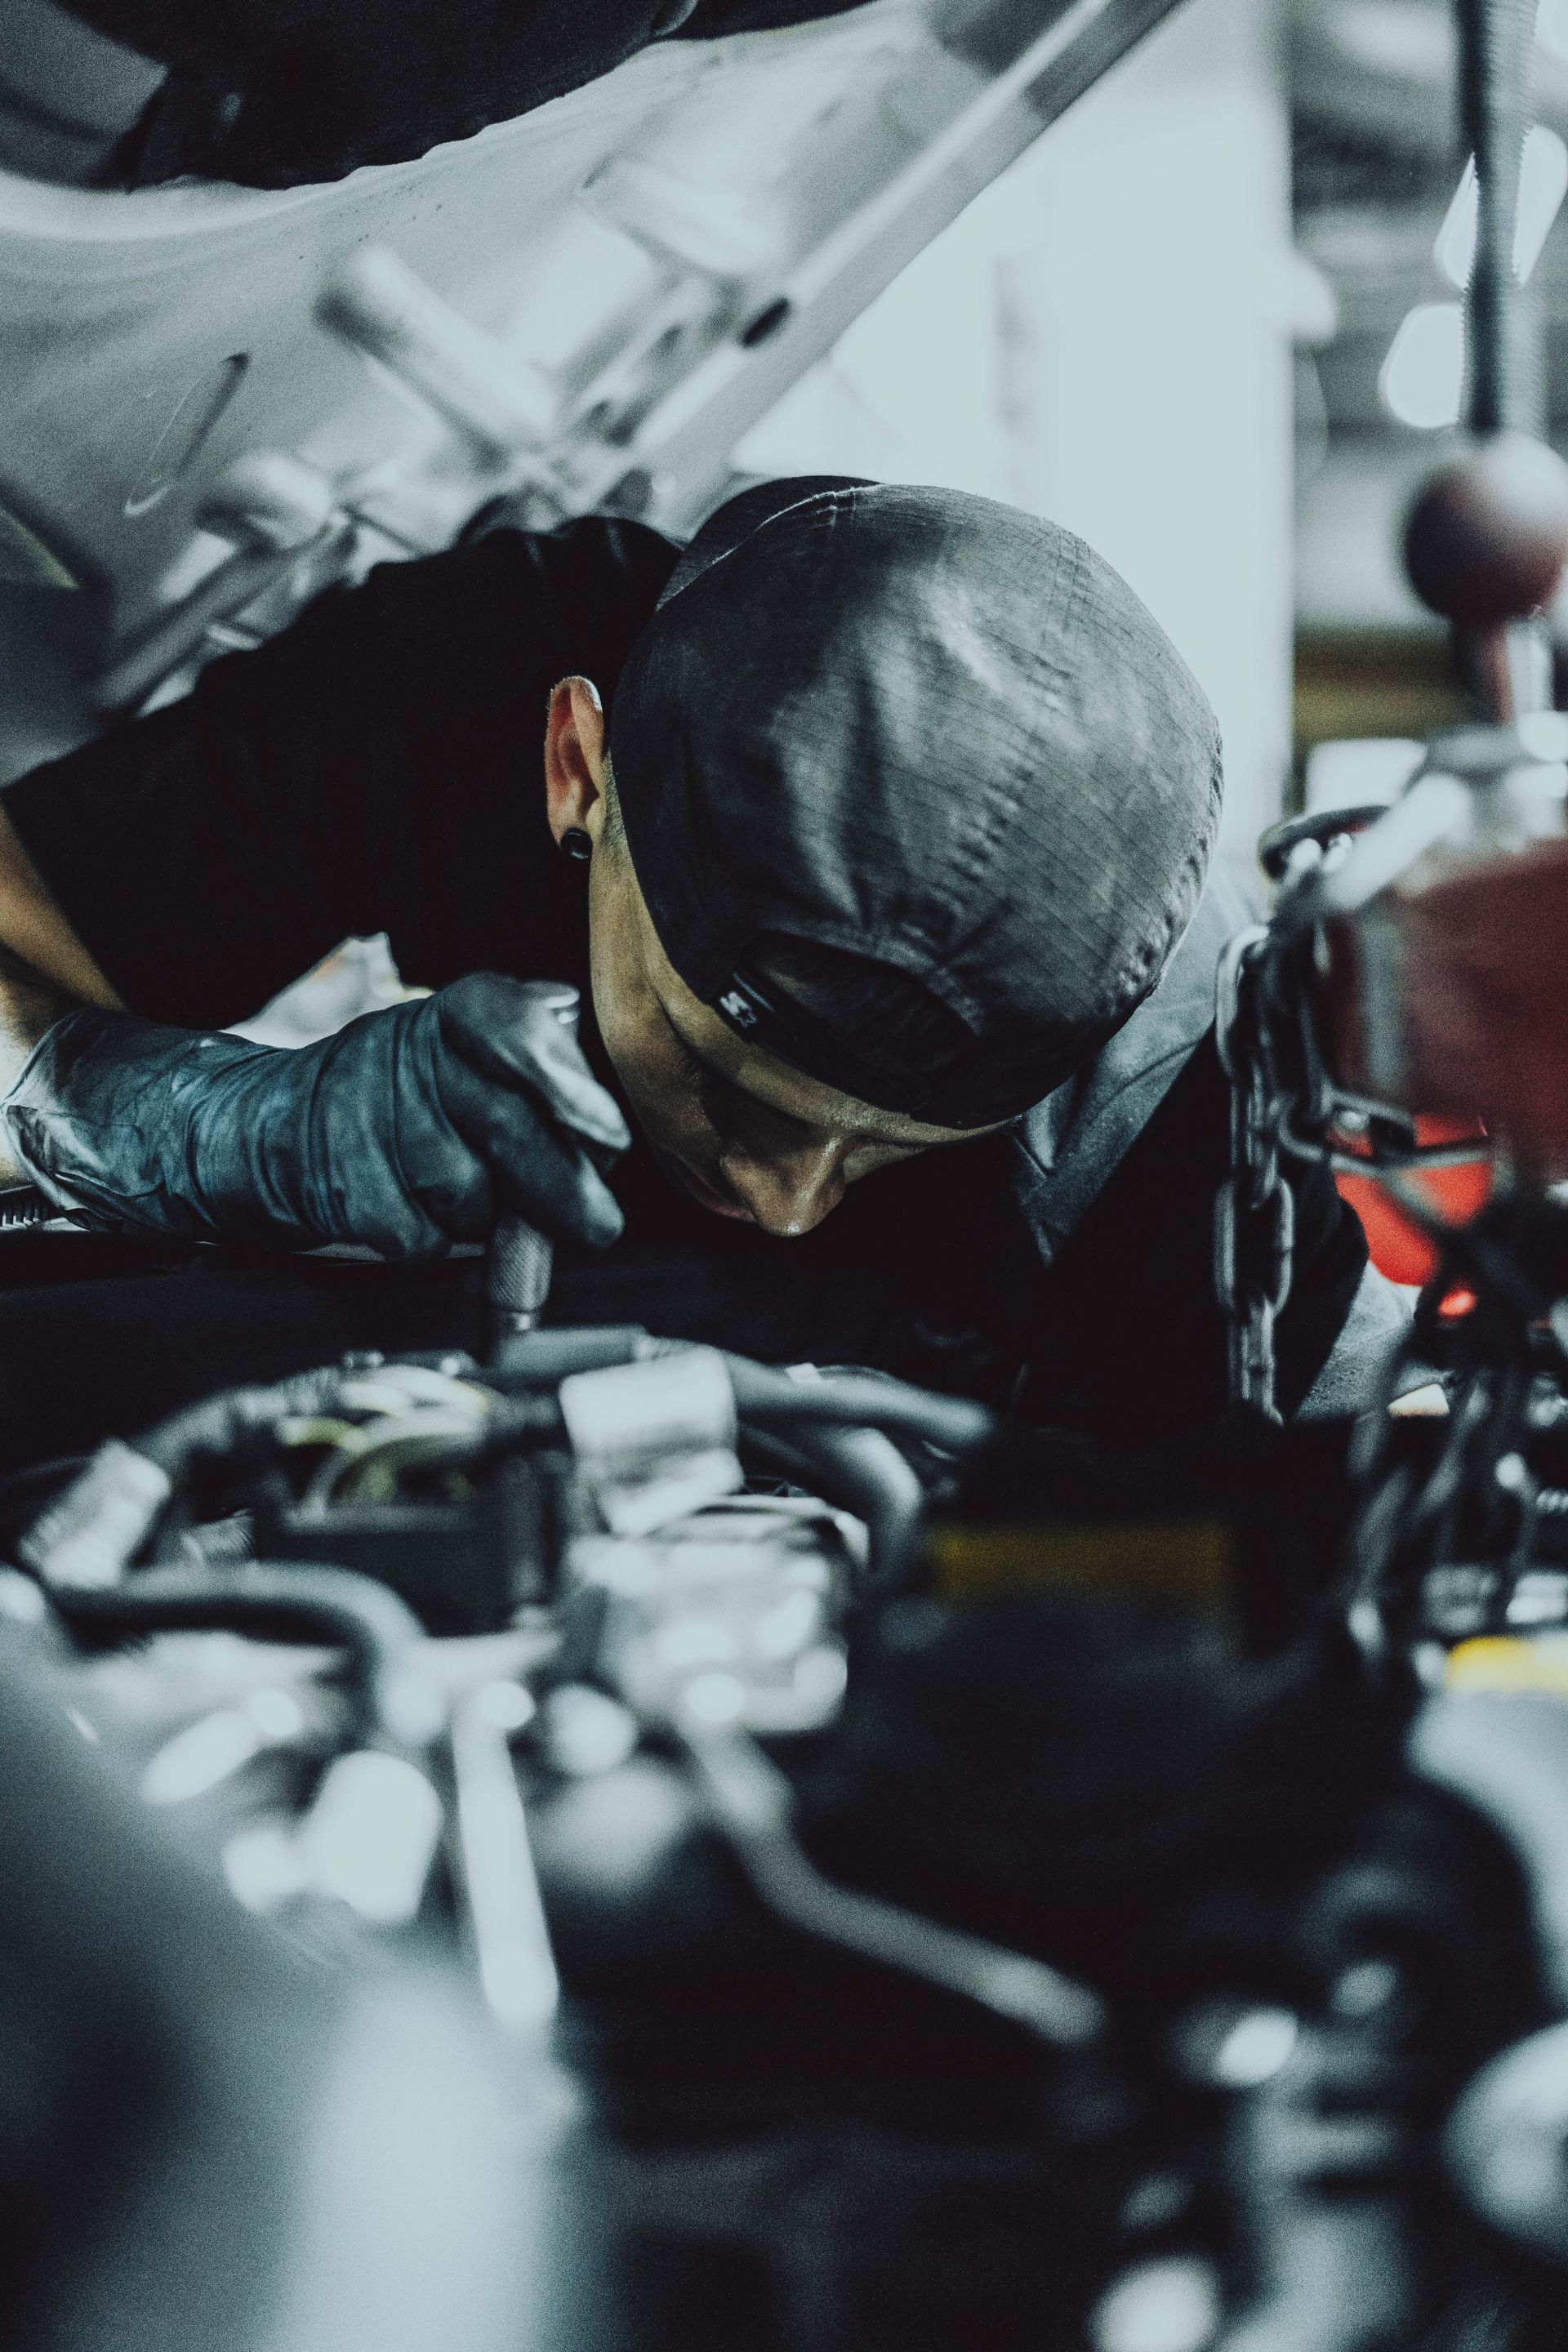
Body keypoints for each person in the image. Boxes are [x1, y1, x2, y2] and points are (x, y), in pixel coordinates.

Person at [0, 476, 1397, 1445]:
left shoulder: (1179, 1118)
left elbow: (1304, 1535)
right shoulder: (469, 678)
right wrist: (208, 1121)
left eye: (889, 1147)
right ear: (577, 771)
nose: (787, 1201)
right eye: (732, 1085)